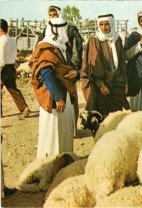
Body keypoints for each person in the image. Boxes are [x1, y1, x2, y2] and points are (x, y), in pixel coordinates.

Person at [29, 17, 79, 158]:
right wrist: (58, 98)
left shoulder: (61, 47)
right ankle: (50, 163)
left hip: (64, 96)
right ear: (56, 30)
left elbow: (65, 68)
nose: (65, 32)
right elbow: (47, 75)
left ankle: (64, 160)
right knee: (52, 133)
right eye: (62, 29)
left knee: (63, 132)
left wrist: (75, 74)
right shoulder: (46, 48)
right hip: (54, 98)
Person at [38, 5, 83, 135]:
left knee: (70, 98)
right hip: (51, 71)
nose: (53, 17)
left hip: (68, 71)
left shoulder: (70, 29)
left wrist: (73, 69)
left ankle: (71, 130)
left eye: (55, 15)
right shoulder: (45, 30)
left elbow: (76, 51)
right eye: (51, 15)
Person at [81, 13, 130, 116]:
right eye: (101, 25)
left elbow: (122, 62)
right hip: (102, 85)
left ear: (111, 24)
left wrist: (125, 82)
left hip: (117, 83)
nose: (104, 27)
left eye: (106, 24)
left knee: (122, 115)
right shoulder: (94, 40)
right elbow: (91, 66)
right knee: (104, 119)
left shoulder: (117, 39)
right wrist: (100, 84)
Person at [0, 19, 30, 118]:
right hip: (11, 67)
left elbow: (1, 59)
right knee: (13, 89)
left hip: (2, 68)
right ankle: (24, 107)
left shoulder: (1, 41)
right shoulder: (12, 40)